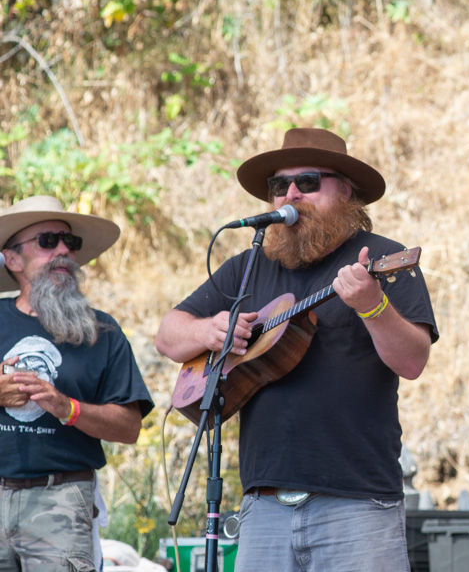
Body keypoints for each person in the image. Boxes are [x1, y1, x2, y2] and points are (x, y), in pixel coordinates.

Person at [155, 128, 437, 571]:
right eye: (278, 185)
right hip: (263, 504)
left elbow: (413, 361)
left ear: (346, 191)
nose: (290, 194)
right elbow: (168, 335)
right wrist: (211, 331)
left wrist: (372, 305)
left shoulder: (382, 259)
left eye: (307, 182)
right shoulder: (248, 266)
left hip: (357, 504)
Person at [0, 195, 154, 571]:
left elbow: (129, 427)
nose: (64, 250)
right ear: (13, 260)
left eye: (70, 241)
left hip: (61, 500)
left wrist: (66, 407)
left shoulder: (102, 331)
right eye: (48, 241)